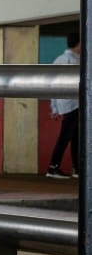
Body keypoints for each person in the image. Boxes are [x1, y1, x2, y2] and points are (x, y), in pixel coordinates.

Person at [46, 31, 81, 179]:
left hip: (72, 104)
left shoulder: (66, 59)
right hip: (71, 104)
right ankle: (53, 167)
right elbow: (54, 84)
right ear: (79, 44)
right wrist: (54, 107)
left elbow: (52, 84)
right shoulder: (68, 60)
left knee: (75, 137)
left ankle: (76, 168)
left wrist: (54, 107)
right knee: (65, 137)